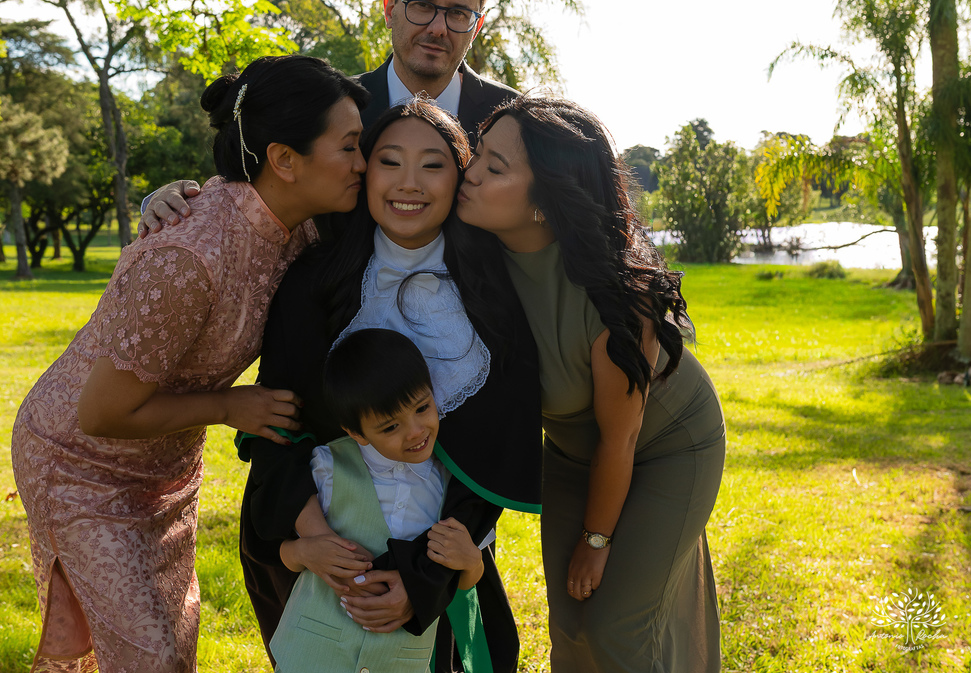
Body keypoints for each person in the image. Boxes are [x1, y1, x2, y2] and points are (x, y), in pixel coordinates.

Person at [9, 55, 369, 673]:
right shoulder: (186, 255)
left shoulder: (300, 228)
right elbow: (101, 411)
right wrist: (231, 407)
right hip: (80, 463)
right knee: (147, 657)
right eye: (351, 147)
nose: (363, 164)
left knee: (172, 644)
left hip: (168, 463)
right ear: (284, 159)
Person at [243, 98, 542, 673]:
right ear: (364, 170)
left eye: (433, 165)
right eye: (389, 161)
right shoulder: (314, 284)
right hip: (330, 557)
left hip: (442, 555)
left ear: (461, 176)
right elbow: (277, 419)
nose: (410, 184)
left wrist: (423, 580)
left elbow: (491, 454)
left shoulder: (497, 291)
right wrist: (320, 543)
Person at [457, 95, 726, 672]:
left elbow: (621, 440)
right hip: (577, 457)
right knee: (571, 629)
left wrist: (597, 542)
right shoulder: (471, 258)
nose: (470, 170)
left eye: (494, 167)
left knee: (615, 631)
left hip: (668, 449)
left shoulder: (619, 300)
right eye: (477, 152)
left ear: (544, 205)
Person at [138, 0, 517, 239]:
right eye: (421, 5)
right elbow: (262, 179)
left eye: (458, 13)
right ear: (389, 9)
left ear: (476, 27)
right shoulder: (332, 107)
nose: (437, 27)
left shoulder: (513, 120)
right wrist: (175, 196)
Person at [271, 328, 486, 673]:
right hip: (312, 657)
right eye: (390, 427)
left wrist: (472, 561)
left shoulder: (454, 486)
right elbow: (285, 554)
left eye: (422, 407)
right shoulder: (328, 467)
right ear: (356, 432)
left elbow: (464, 580)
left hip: (399, 662)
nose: (415, 431)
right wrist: (303, 552)